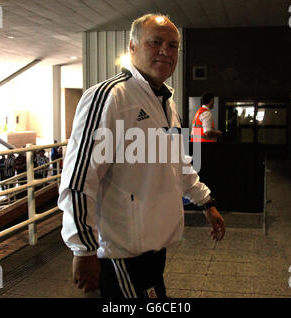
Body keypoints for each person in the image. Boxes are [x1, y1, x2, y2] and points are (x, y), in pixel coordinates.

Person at [59, 13, 225, 298]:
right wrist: (83, 247)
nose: (165, 51)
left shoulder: (166, 102)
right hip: (119, 251)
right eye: (155, 42)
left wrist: (206, 202)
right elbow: (79, 176)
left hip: (154, 246)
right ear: (132, 47)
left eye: (173, 46)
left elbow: (179, 164)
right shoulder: (111, 97)